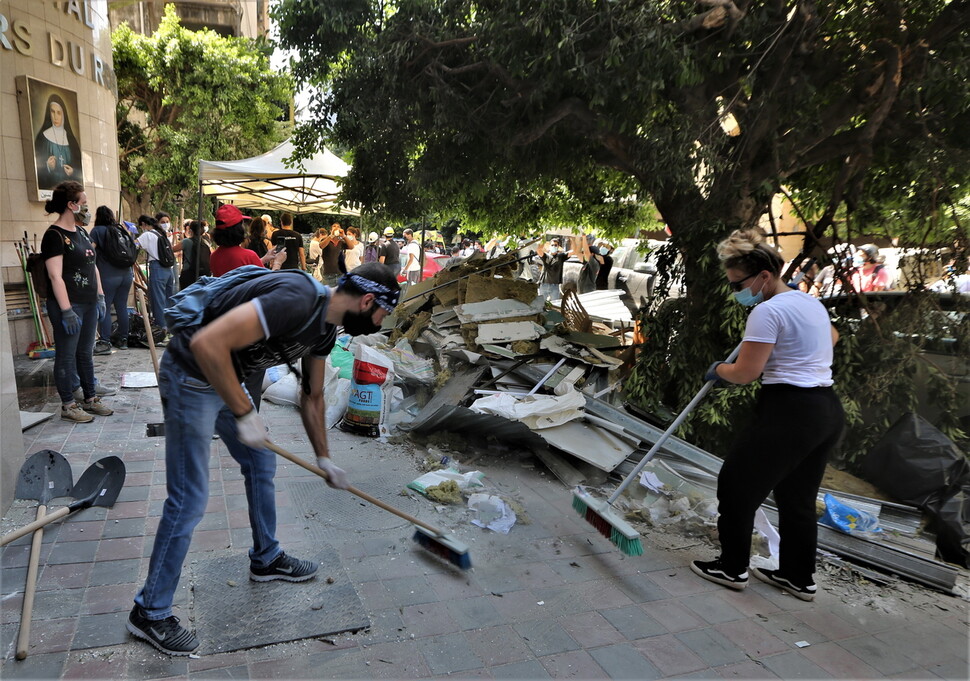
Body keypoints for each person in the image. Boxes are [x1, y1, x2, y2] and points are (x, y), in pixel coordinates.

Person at [127, 262, 401, 655]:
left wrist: (324, 458)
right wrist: (243, 411)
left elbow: (313, 395)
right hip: (192, 372)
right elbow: (207, 344)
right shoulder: (296, 299)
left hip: (225, 377)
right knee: (189, 500)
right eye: (382, 314)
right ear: (369, 300)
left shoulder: (325, 329)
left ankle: (267, 558)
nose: (378, 322)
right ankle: (149, 611)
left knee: (260, 463)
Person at [690, 228, 843, 602]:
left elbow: (744, 373)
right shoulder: (810, 303)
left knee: (737, 485)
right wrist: (789, 350)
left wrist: (717, 370)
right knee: (797, 497)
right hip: (826, 411)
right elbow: (833, 337)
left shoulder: (767, 311)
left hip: (790, 411)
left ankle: (732, 567)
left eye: (738, 283)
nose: (736, 291)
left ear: (763, 276)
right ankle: (797, 577)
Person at [40, 181, 113, 423]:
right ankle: (68, 404)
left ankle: (90, 399)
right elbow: (54, 275)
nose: (87, 208)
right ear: (71, 205)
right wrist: (66, 310)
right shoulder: (54, 235)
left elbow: (93, 268)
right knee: (66, 355)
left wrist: (100, 295)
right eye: (83, 203)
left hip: (90, 302)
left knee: (85, 353)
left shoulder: (81, 232)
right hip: (69, 306)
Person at [90, 206, 134, 352]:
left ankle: (105, 341)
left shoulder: (97, 231)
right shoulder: (120, 230)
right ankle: (123, 340)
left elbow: (89, 252)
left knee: (105, 307)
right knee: (122, 306)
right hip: (126, 274)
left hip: (108, 276)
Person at [210, 206, 283, 276]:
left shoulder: (213, 257)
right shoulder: (249, 256)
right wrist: (277, 263)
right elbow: (268, 281)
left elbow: (241, 268)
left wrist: (264, 259)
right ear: (238, 229)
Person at [136, 215, 176, 337]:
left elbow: (134, 245)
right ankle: (170, 327)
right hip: (168, 269)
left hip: (157, 268)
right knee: (169, 299)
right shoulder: (160, 233)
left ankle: (161, 329)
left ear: (143, 224)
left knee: (158, 300)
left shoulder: (147, 235)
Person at [34, 94, 82, 189]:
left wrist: (73, 172)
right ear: (49, 113)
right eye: (53, 112)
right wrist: (48, 167)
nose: (55, 117)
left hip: (69, 191)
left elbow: (80, 170)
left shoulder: (71, 139)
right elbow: (37, 170)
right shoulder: (43, 137)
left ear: (64, 115)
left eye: (59, 113)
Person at [178, 220, 211, 289]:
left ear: (190, 230)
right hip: (203, 274)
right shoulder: (205, 243)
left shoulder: (187, 241)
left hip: (188, 274)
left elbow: (171, 249)